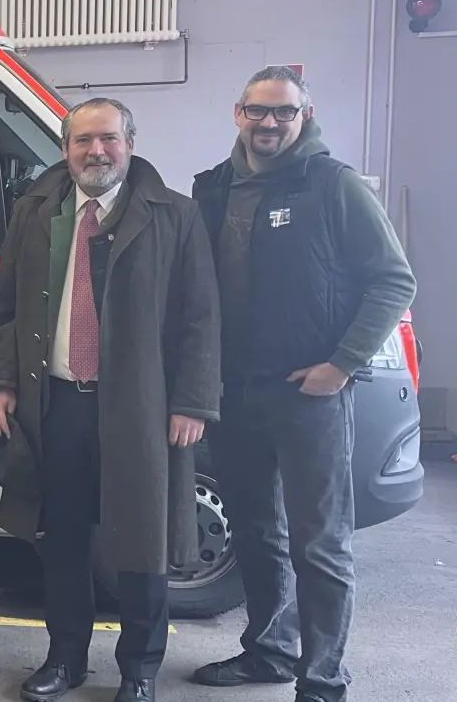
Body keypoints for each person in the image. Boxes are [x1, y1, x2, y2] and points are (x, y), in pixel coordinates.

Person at [190, 67, 416, 702]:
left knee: (320, 542)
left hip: (308, 395)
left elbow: (393, 280)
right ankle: (268, 651)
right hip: (232, 394)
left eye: (283, 113)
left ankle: (322, 678)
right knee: (257, 530)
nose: (269, 123)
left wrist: (340, 365)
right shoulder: (212, 189)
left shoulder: (333, 185)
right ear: (238, 113)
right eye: (257, 112)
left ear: (304, 115)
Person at [0, 98, 221, 702]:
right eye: (83, 140)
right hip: (55, 405)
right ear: (65, 149)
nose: (96, 151)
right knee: (61, 541)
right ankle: (65, 660)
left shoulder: (176, 214)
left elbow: (200, 317)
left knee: (140, 547)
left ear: (131, 142)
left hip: (139, 411)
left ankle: (139, 669)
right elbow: (4, 308)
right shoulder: (35, 212)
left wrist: (192, 402)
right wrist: (2, 382)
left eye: (108, 139)